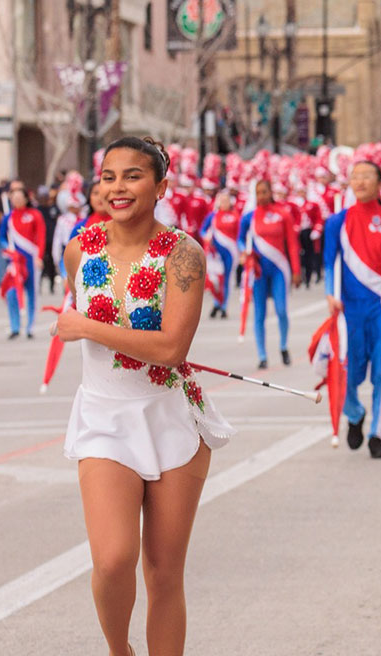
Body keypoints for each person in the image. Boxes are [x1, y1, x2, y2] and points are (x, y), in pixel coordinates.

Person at [57, 136, 234, 656]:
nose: (118, 187)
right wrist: (86, 327)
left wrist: (86, 326)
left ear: (160, 186)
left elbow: (172, 346)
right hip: (104, 418)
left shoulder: (184, 255)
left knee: (163, 572)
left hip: (171, 418)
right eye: (109, 176)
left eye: (133, 176)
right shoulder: (78, 248)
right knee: (112, 560)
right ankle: (120, 650)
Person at [324, 161, 381, 459]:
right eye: (355, 176)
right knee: (345, 373)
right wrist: (330, 294)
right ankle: (355, 412)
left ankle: (378, 433)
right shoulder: (337, 222)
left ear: (380, 184)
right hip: (348, 309)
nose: (360, 181)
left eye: (367, 176)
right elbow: (329, 263)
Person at [238, 180, 301, 369]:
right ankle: (262, 355)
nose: (262, 196)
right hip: (258, 271)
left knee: (281, 310)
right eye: (258, 192)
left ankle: (283, 346)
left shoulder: (283, 214)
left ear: (271, 192)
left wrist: (297, 270)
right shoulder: (249, 217)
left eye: (264, 191)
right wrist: (245, 253)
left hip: (279, 269)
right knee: (260, 314)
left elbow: (292, 243)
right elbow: (240, 240)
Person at [0, 182, 47, 339]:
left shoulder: (35, 214)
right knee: (12, 293)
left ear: (26, 198)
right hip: (15, 262)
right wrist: (8, 250)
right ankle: (15, 326)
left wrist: (39, 256)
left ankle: (30, 327)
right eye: (14, 197)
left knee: (32, 293)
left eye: (20, 196)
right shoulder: (8, 218)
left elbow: (41, 236)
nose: (17, 199)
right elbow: (2, 238)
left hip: (31, 260)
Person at [200, 191, 240, 319]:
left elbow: (240, 234)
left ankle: (223, 306)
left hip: (230, 253)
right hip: (216, 254)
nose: (224, 203)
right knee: (216, 280)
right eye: (222, 201)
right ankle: (217, 303)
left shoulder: (235, 216)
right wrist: (207, 237)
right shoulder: (213, 216)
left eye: (226, 201)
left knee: (227, 280)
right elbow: (202, 230)